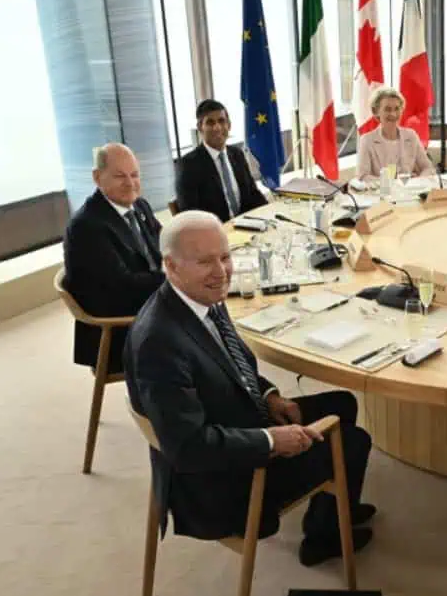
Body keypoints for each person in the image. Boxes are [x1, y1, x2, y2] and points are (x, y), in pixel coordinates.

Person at [124, 211, 375, 566]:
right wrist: (272, 440)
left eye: (225, 257)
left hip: (236, 419)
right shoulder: (159, 343)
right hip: (224, 481)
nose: (221, 271)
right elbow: (189, 448)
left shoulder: (199, 297)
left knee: (342, 403)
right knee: (353, 441)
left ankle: (331, 516)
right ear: (171, 265)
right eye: (205, 261)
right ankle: (324, 540)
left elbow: (228, 361)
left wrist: (270, 395)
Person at [62, 143, 164, 373]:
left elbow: (164, 246)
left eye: (135, 175)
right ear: (97, 178)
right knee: (200, 336)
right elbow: (121, 290)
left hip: (149, 304)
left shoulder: (139, 205)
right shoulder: (86, 227)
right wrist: (177, 279)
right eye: (120, 176)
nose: (130, 183)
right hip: (118, 329)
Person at [175, 99, 269, 222]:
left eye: (221, 121)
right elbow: (190, 214)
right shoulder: (188, 165)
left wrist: (270, 213)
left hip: (246, 225)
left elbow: (253, 194)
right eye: (210, 122)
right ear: (200, 127)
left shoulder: (237, 154)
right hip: (214, 233)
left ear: (229, 125)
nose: (217, 128)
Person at [355, 87, 436, 180]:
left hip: (409, 191)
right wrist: (391, 183)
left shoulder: (411, 136)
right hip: (381, 192)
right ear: (376, 111)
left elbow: (428, 168)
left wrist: (417, 182)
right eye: (387, 109)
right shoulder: (367, 140)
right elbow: (362, 176)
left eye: (397, 109)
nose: (393, 114)